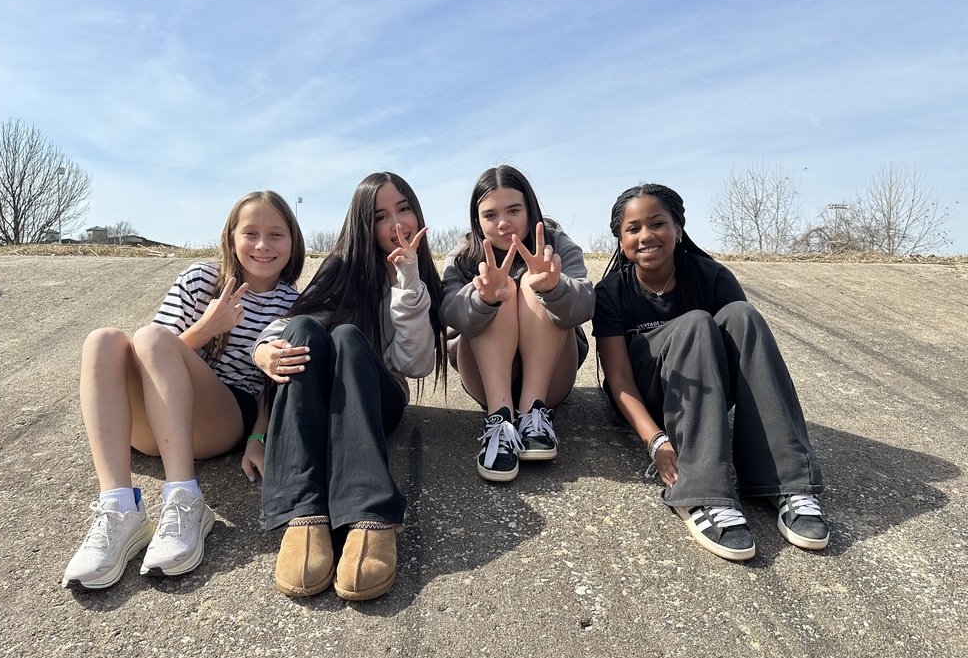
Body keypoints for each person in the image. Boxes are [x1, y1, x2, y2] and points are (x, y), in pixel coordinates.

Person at [62, 191, 305, 589]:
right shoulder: (200, 278)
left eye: (276, 235)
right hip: (156, 426)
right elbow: (148, 353)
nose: (263, 245)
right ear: (230, 238)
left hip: (221, 417)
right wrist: (208, 327)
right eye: (251, 233)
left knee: (154, 339)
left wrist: (258, 438)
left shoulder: (292, 303)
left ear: (292, 243)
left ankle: (185, 499)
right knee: (102, 340)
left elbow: (273, 382)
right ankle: (118, 508)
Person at [592, 183, 828, 561]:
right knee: (697, 323)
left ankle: (786, 481)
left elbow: (747, 354)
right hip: (651, 396)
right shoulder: (611, 293)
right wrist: (656, 441)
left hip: (711, 388)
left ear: (679, 229)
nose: (646, 235)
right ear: (621, 241)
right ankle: (702, 489)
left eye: (657, 223)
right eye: (632, 228)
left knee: (743, 315)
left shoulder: (711, 276)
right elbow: (618, 379)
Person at [251, 172, 445, 601]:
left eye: (404, 209)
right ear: (362, 224)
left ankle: (370, 511)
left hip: (382, 400)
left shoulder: (420, 273)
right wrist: (263, 348)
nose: (397, 223)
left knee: (347, 337)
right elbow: (293, 325)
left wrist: (408, 280)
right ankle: (304, 512)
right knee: (305, 327)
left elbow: (415, 364)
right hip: (329, 405)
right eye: (381, 216)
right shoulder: (341, 268)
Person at [440, 165, 594, 482]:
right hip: (485, 377)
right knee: (502, 290)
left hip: (551, 379)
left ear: (530, 209)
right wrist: (482, 296)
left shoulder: (556, 244)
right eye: (490, 215)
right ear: (477, 220)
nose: (503, 222)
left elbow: (586, 305)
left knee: (532, 284)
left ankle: (534, 414)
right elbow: (448, 313)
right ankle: (499, 420)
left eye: (513, 210)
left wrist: (553, 287)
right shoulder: (463, 254)